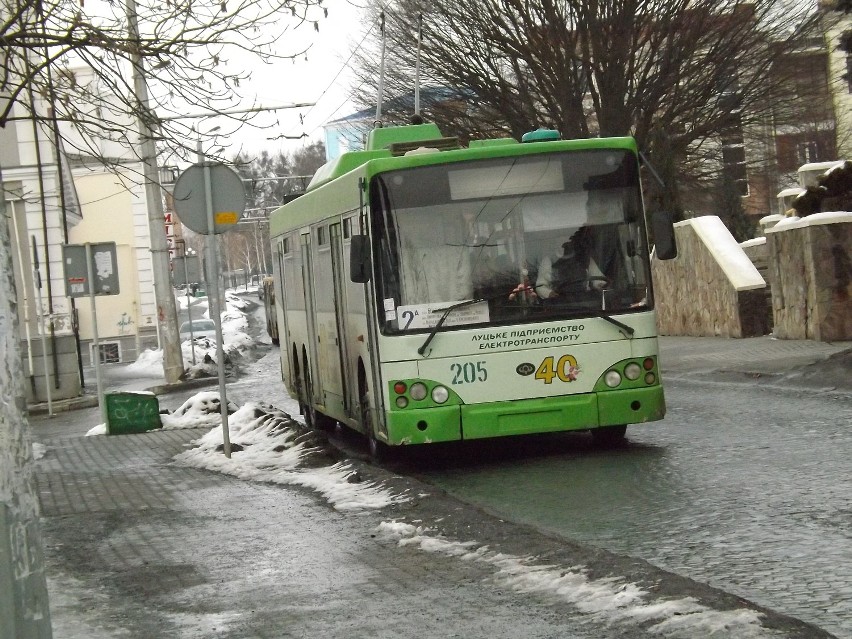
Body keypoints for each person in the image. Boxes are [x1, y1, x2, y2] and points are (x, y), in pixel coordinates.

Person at [535, 227, 607, 299]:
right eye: (560, 236)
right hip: (560, 304)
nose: (565, 240)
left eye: (567, 236)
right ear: (555, 240)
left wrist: (600, 285)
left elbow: (598, 279)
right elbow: (541, 286)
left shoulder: (584, 257)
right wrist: (549, 293)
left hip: (585, 300)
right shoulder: (549, 260)